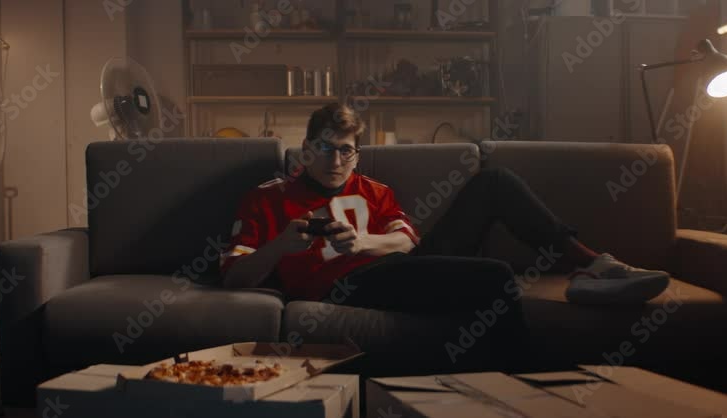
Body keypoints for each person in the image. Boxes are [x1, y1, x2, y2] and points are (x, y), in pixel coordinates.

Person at [220, 104, 670, 369]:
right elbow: (233, 279)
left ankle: (593, 264)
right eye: (324, 147)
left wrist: (363, 243)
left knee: (495, 183)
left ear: (356, 155)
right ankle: (523, 379)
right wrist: (280, 246)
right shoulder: (267, 198)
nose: (335, 160)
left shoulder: (375, 191)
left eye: (345, 150)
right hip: (343, 286)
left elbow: (407, 241)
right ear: (305, 150)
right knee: (494, 278)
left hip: (392, 265)